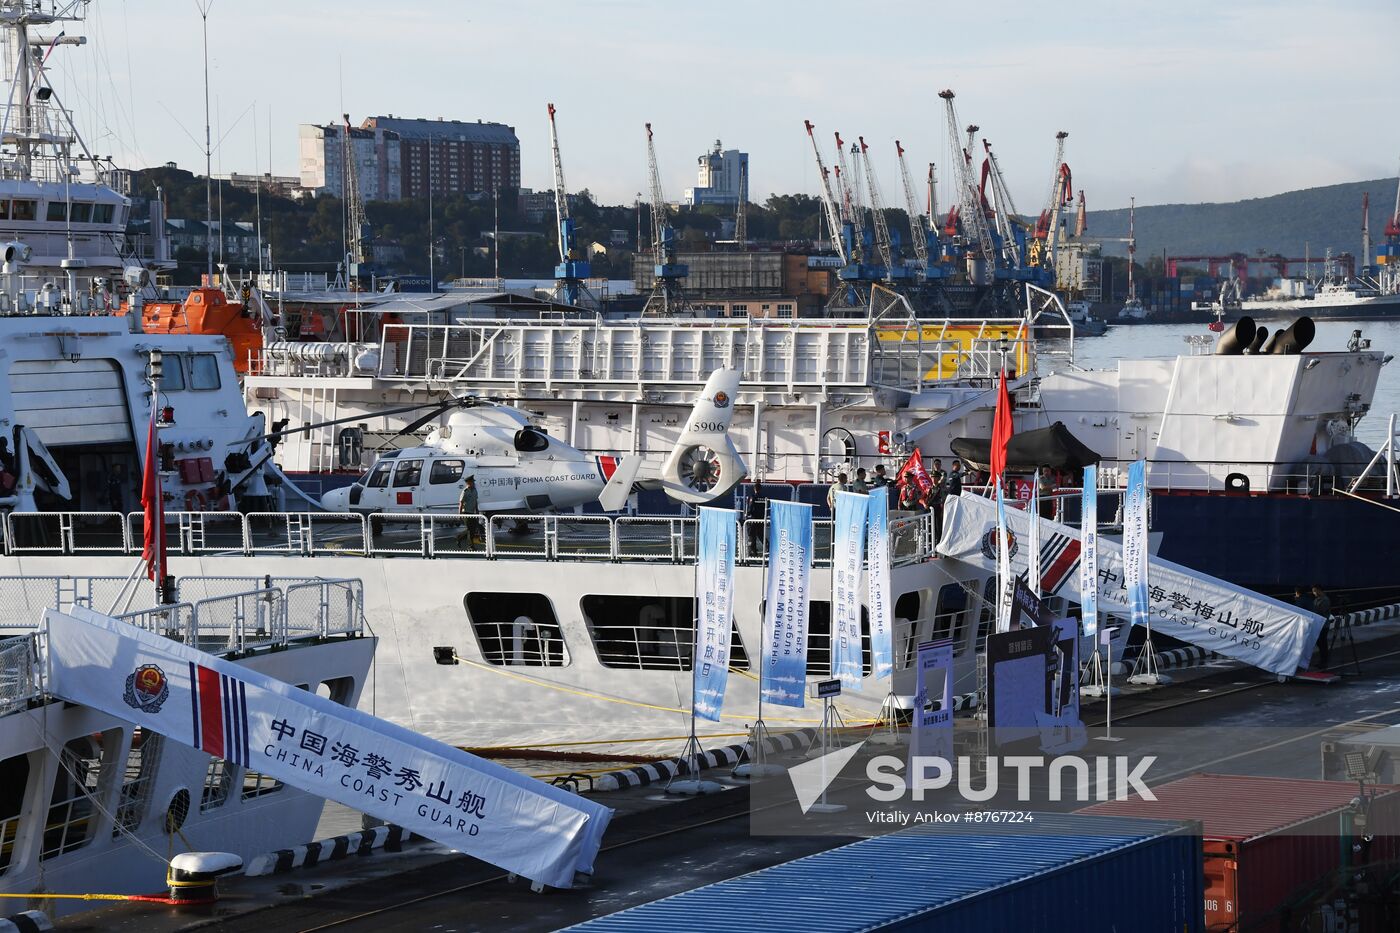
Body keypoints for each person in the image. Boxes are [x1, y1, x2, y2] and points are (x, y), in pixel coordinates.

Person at [455, 475, 482, 547]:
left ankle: (459, 537)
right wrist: (460, 515)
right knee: (470, 529)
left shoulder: (475, 490)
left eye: (473, 482)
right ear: (468, 483)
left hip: (472, 512)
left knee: (473, 529)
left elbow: (475, 501)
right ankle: (471, 546)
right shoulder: (465, 491)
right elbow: (461, 503)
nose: (473, 483)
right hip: (465, 512)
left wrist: (477, 511)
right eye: (472, 482)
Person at [744, 480, 768, 556]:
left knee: (752, 536)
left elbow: (750, 507)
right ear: (760, 489)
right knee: (761, 535)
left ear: (754, 489)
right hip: (761, 519)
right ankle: (768, 548)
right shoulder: (764, 498)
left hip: (753, 519)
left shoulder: (753, 497)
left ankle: (753, 552)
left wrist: (747, 514)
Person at [1311, 584, 1333, 668]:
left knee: (1323, 643)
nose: (1314, 593)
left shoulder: (1325, 600)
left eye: (1315, 591)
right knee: (1319, 643)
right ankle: (1322, 660)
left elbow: (1322, 611)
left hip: (1323, 625)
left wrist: (1313, 611)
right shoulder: (1317, 599)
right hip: (1317, 624)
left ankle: (1324, 661)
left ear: (1319, 590)